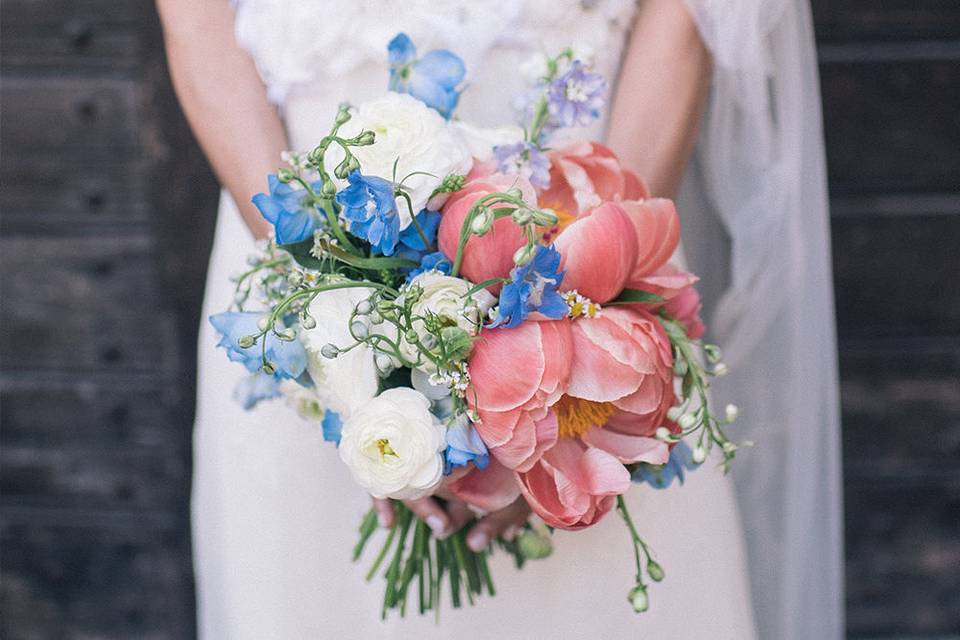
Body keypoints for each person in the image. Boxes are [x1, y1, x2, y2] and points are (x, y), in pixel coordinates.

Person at [157, 1, 841, 638]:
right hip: (301, 240)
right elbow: (197, 23)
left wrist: (583, 327)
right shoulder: (308, 277)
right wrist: (327, 307)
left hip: (581, 206)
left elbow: (685, 15)